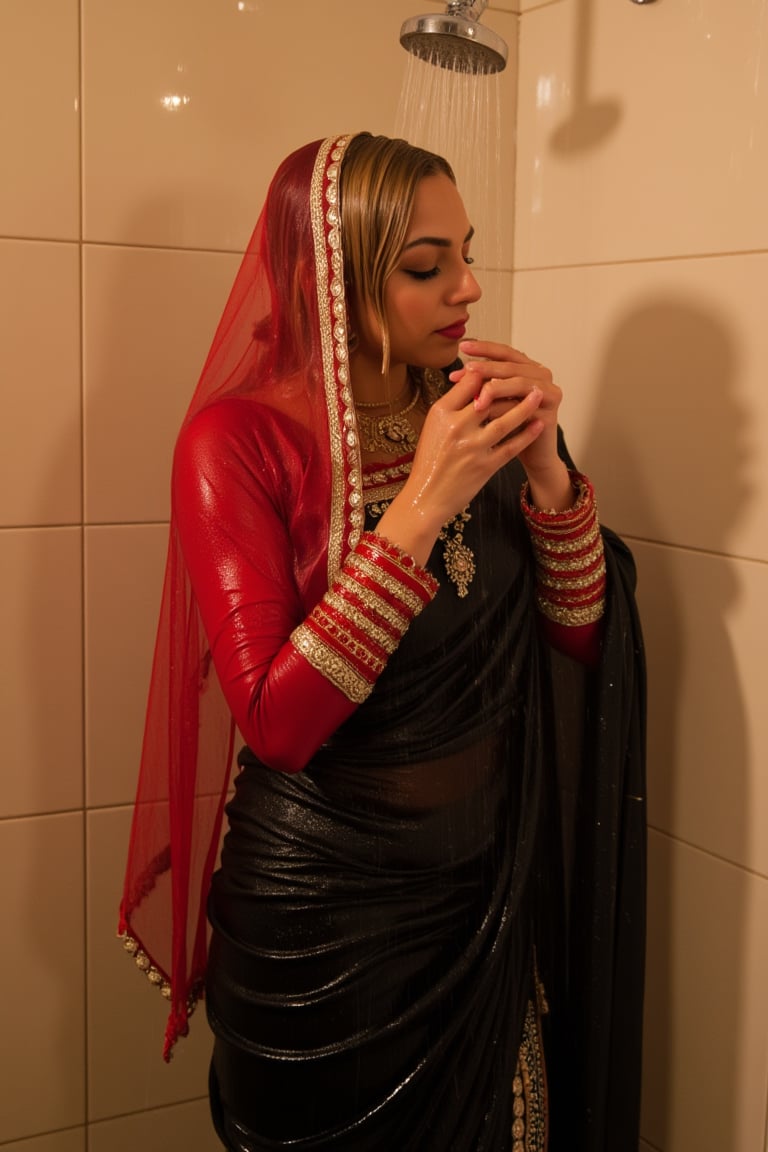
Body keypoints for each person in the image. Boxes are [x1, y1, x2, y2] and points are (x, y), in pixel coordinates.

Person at [119, 133, 646, 1151]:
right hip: (324, 923)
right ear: (332, 276)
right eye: (425, 267)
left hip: (482, 894)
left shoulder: (471, 408)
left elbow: (578, 645)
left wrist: (544, 474)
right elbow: (276, 724)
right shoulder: (236, 442)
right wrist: (425, 501)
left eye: (466, 252)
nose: (470, 286)